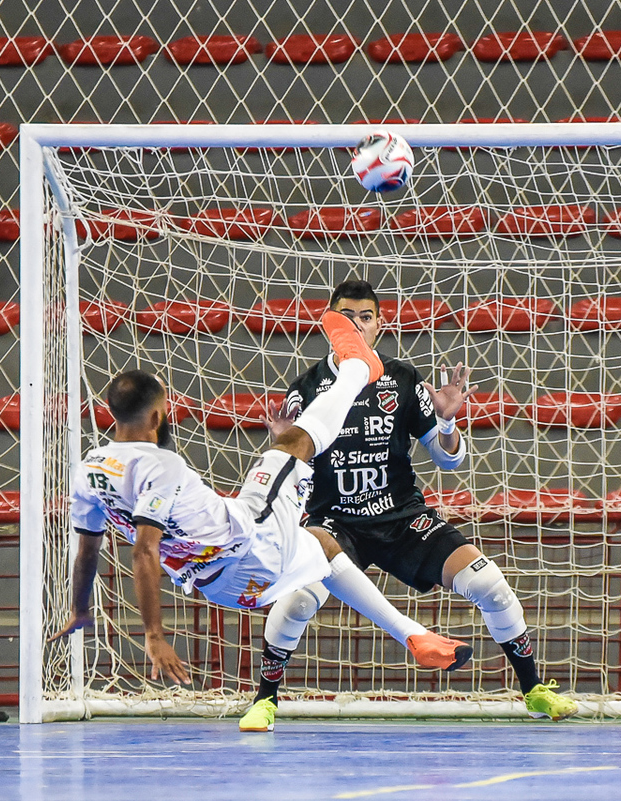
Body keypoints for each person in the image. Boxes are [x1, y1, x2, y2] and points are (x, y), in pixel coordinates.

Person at [55, 312, 473, 713]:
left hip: (222, 587)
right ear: (157, 415)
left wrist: (80, 609)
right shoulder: (161, 466)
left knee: (324, 545)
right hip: (254, 539)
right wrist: (154, 636)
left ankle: (414, 635)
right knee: (294, 442)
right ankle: (357, 369)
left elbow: (88, 549)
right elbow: (144, 550)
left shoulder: (88, 470)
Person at [238, 280, 579, 732]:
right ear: (331, 323)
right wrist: (282, 446)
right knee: (298, 600)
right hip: (335, 524)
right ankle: (265, 700)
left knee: (491, 585)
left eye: (366, 317)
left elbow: (449, 459)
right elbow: (292, 469)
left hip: (402, 519)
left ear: (379, 324)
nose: (357, 325)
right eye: (347, 316)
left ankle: (534, 690)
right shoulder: (306, 389)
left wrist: (447, 421)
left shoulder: (402, 379)